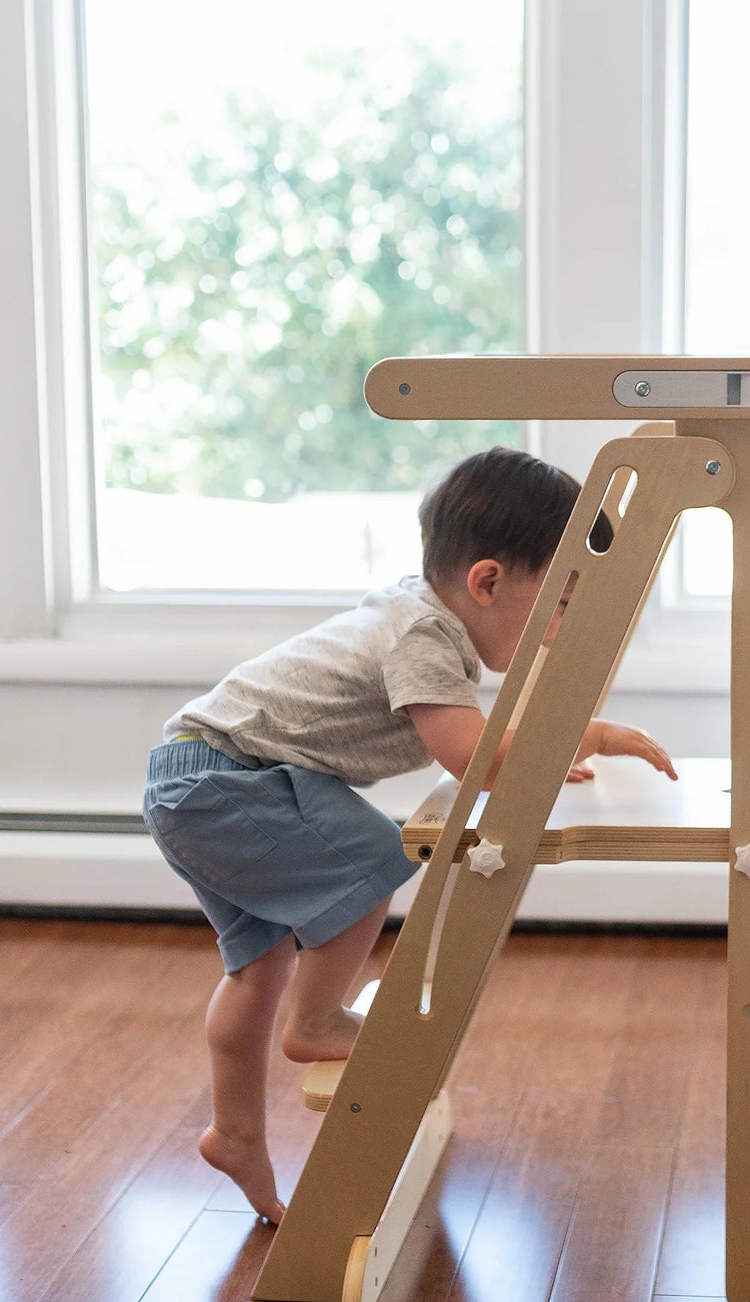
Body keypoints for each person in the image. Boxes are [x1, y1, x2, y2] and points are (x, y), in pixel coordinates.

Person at [141, 446, 677, 1223]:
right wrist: (582, 735)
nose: (565, 628)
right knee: (371, 855)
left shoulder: (418, 613)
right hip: (228, 780)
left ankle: (236, 1134)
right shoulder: (422, 635)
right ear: (486, 581)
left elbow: (478, 743)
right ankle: (317, 1023)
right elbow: (470, 756)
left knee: (257, 967)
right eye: (562, 603)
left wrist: (530, 758)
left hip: (192, 777)